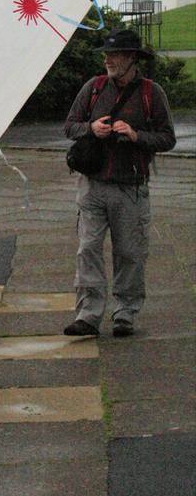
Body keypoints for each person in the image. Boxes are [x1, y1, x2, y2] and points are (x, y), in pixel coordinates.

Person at [63, 27, 176, 338]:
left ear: (131, 58)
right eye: (106, 54)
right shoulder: (94, 88)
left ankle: (125, 313)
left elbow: (168, 139)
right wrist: (91, 127)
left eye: (114, 54)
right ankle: (88, 315)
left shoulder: (152, 93)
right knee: (88, 248)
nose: (107, 59)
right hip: (92, 185)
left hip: (131, 187)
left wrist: (136, 135)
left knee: (130, 253)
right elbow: (69, 126)